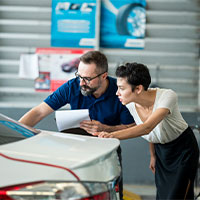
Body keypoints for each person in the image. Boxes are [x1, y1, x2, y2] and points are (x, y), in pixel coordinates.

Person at [19, 50, 135, 200]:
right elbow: (39, 112)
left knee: (110, 194)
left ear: (103, 76)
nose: (81, 83)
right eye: (79, 76)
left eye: (87, 79)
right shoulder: (73, 86)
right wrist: (14, 134)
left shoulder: (119, 91)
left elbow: (131, 127)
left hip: (107, 153)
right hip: (76, 151)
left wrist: (107, 129)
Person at [94, 62, 199, 200]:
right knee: (163, 194)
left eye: (121, 88)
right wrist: (153, 155)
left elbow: (147, 127)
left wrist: (111, 135)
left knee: (177, 195)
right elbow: (151, 133)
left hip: (183, 150)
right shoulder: (130, 104)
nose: (116, 92)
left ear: (138, 88)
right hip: (161, 151)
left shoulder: (167, 97)